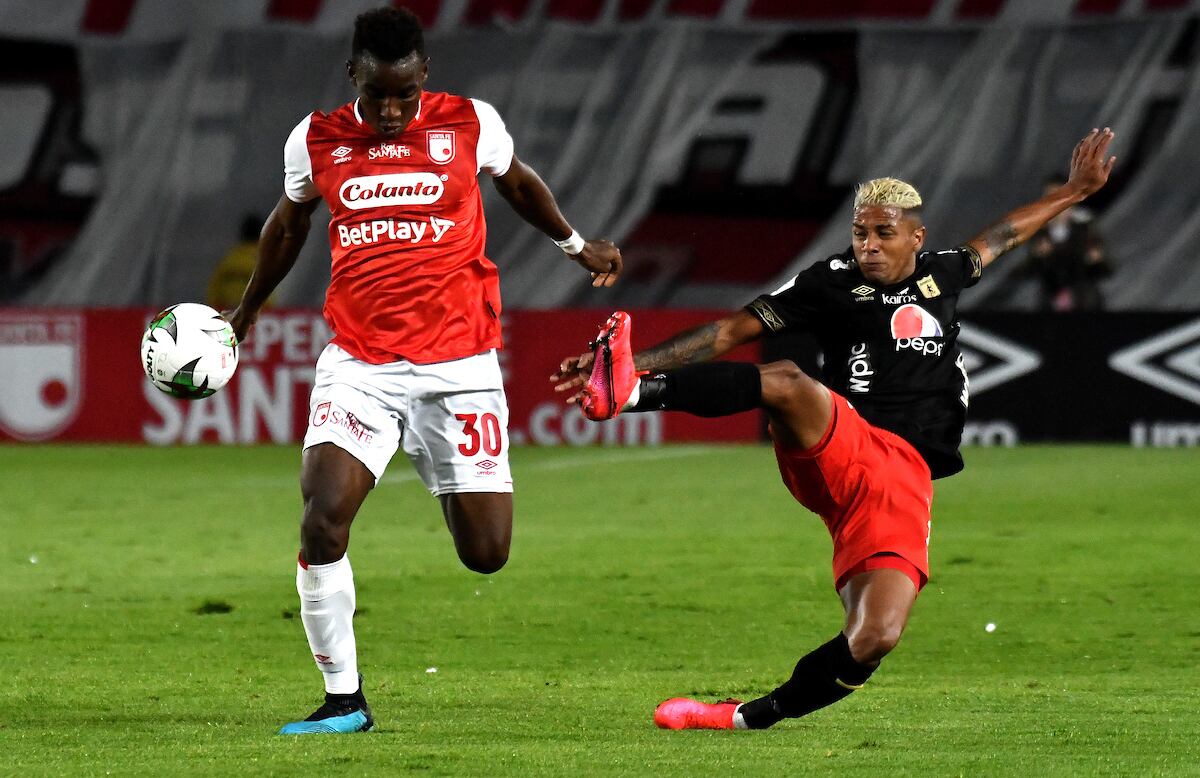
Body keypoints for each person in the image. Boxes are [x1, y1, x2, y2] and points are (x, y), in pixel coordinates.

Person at [553, 129, 1115, 730]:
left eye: (883, 233)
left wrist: (1076, 191)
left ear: (916, 237)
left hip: (904, 480)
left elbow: (1005, 234)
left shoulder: (945, 272)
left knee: (875, 635)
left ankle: (742, 718)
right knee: (788, 381)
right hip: (845, 444)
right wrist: (632, 367)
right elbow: (727, 332)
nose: (868, 246)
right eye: (860, 232)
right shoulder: (829, 281)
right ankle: (635, 395)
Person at [227, 6, 621, 735]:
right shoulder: (315, 138)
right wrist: (247, 311)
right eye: (377, 94)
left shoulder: (471, 124)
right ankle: (344, 701)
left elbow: (519, 182)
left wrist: (573, 244)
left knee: (487, 553)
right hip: (360, 366)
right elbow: (288, 225)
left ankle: (444, 475)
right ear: (354, 76)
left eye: (404, 95)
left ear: (424, 76)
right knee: (322, 520)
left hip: (462, 367)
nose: (390, 110)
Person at [1020, 174, 1113, 311]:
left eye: (1060, 198)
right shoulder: (1038, 233)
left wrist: (1096, 260)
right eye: (1050, 198)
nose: (1056, 205)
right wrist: (1037, 256)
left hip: (1085, 307)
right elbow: (1026, 271)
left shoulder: (1086, 230)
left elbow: (1106, 269)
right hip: (1048, 309)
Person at [207, 213, 266, 311]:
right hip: (250, 314)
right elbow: (267, 294)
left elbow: (214, 289)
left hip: (226, 312)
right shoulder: (261, 261)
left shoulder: (230, 258)